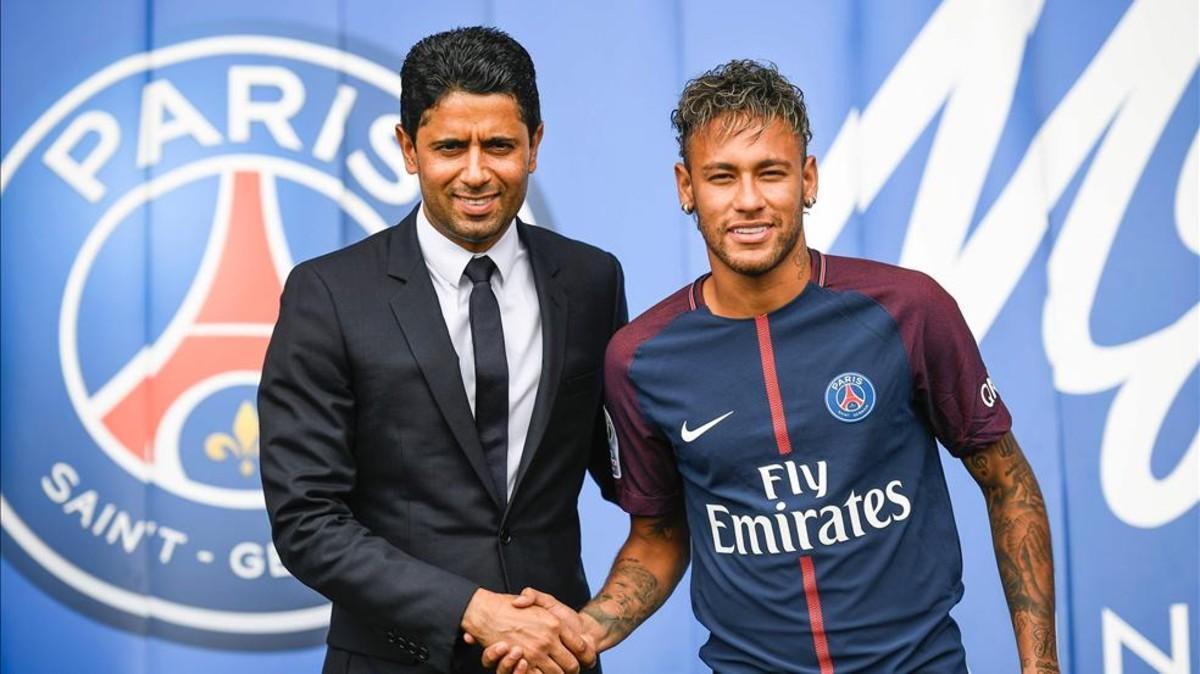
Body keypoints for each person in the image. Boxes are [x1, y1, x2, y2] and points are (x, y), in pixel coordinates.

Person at [485, 60, 1059, 673]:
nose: (749, 201)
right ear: (687, 188)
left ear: (807, 179)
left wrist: (1041, 666)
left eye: (772, 173)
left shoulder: (909, 309)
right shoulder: (640, 359)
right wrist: (586, 628)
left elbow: (1008, 481)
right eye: (722, 177)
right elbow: (658, 535)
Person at [258, 26, 626, 674]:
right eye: (451, 147)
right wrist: (471, 608)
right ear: (408, 147)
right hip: (391, 662)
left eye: (501, 146)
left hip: (556, 662)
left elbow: (628, 468)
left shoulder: (593, 281)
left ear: (535, 146)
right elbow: (305, 521)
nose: (477, 172)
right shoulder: (329, 294)